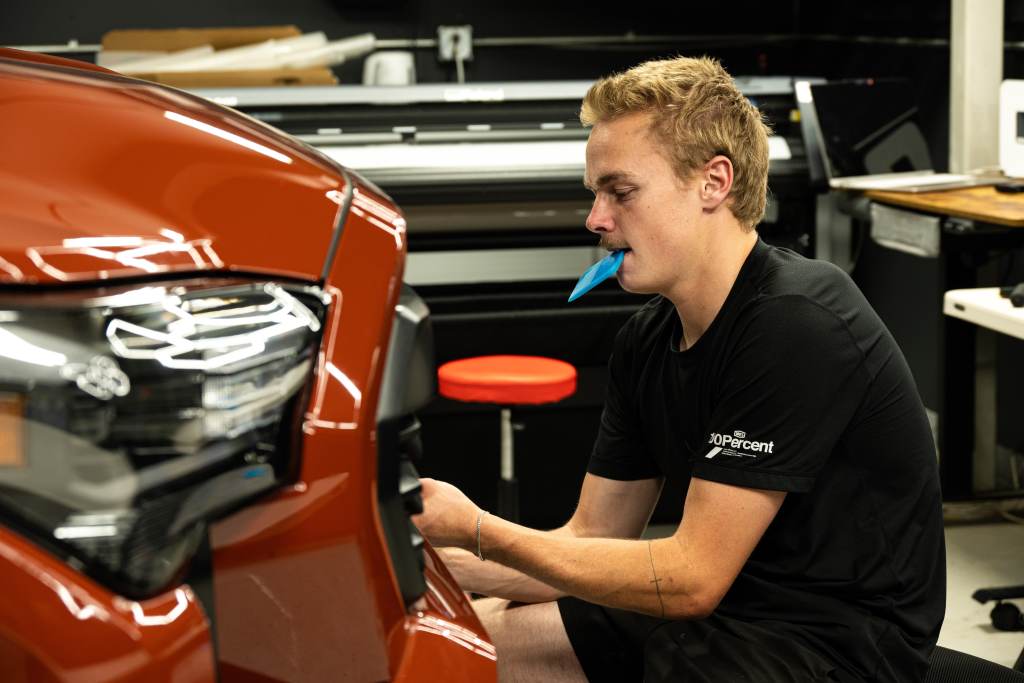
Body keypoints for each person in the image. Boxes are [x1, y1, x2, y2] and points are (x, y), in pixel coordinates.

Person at [413, 55, 946, 682]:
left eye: (622, 192)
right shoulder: (647, 340)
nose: (596, 220)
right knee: (459, 643)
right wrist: (424, 559)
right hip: (731, 614)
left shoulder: (795, 322)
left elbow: (691, 579)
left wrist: (478, 529)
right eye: (595, 194)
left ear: (713, 183)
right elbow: (591, 539)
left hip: (835, 643)